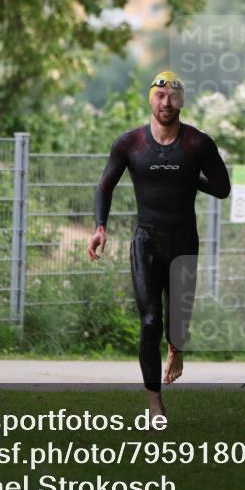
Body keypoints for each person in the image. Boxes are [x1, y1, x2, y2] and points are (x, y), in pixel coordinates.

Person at [87, 71, 230, 418]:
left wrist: (190, 179)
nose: (166, 103)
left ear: (181, 101)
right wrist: (100, 227)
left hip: (183, 242)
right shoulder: (130, 143)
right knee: (150, 321)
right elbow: (104, 186)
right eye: (159, 96)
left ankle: (176, 347)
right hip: (146, 242)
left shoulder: (197, 143)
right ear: (151, 100)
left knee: (177, 322)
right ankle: (154, 402)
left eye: (173, 97)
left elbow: (223, 187)